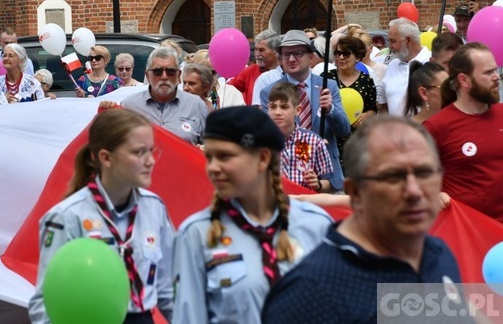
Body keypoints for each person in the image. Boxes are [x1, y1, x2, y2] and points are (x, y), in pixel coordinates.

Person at [262, 117, 462, 323]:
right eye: (392, 177)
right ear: (355, 192)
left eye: (425, 173)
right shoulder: (309, 292)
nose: (414, 191)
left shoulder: (438, 254)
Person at [172, 106, 332, 324]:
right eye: (209, 157)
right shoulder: (198, 233)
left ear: (263, 158)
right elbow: (189, 318)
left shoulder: (316, 225)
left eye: (225, 156)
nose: (213, 167)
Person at [29, 109, 174, 323]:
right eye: (139, 152)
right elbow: (44, 304)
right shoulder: (67, 217)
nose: (150, 161)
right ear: (106, 157)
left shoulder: (154, 207)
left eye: (151, 151)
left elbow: (168, 289)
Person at [260, 30, 350, 191]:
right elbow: (269, 133)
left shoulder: (327, 86)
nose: (292, 59)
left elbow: (344, 130)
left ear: (310, 57)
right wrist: (309, 142)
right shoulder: (270, 92)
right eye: (286, 54)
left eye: (298, 53)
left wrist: (330, 110)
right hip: (290, 176)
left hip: (327, 176)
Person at [424, 43, 503, 222]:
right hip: (466, 234)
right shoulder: (437, 126)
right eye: (488, 72)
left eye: (495, 70)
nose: (496, 77)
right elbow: (409, 175)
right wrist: (431, 195)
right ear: (464, 80)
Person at [119, 47, 207, 145]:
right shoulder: (129, 106)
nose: (164, 77)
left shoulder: (196, 105)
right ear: (148, 75)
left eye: (170, 71)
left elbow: (212, 147)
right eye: (157, 71)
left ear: (178, 75)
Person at [268, 83, 333, 192]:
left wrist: (317, 184)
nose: (277, 112)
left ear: (298, 110)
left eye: (284, 107)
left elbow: (328, 182)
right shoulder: (260, 142)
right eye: (273, 107)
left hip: (304, 203)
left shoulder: (313, 141)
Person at [327, 35, 377, 158]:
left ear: (358, 57)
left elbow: (373, 108)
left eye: (346, 54)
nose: (341, 58)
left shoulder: (367, 80)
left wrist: (368, 115)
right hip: (332, 136)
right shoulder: (326, 78)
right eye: (338, 53)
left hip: (358, 138)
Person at [378, 18, 431, 116]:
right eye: (389, 41)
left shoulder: (431, 62)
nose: (390, 46)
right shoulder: (392, 66)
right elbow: (384, 105)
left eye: (393, 41)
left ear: (408, 40)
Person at [230, 30, 281, 105]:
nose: (257, 54)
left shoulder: (286, 71)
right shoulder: (249, 71)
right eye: (255, 50)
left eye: (261, 50)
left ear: (275, 51)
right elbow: (228, 89)